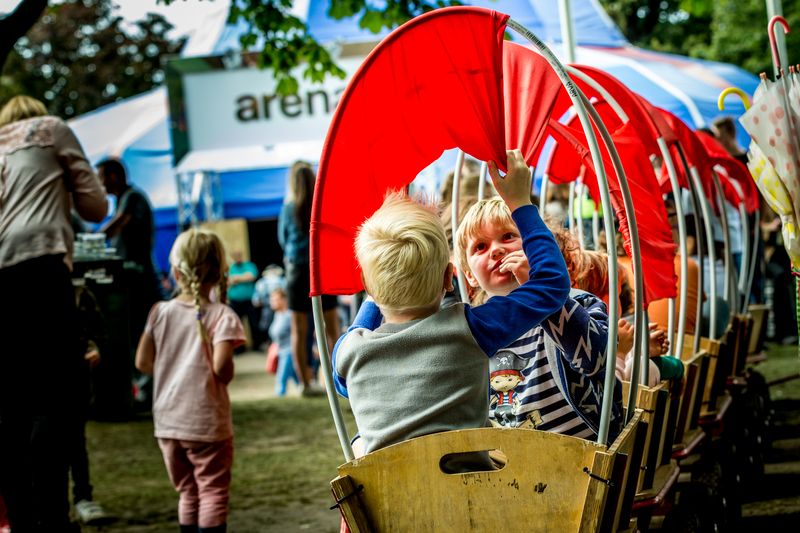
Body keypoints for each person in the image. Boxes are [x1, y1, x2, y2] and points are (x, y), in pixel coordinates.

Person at [333, 150, 570, 457]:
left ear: (368, 289)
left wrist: (376, 290)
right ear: (450, 278)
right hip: (473, 491)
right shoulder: (468, 329)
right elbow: (551, 285)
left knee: (358, 443)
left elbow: (345, 382)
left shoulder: (349, 351)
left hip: (393, 499)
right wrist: (521, 204)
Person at [0, 95, 108, 531]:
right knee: (57, 400)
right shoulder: (52, 129)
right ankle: (53, 517)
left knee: (11, 409)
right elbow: (96, 208)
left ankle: (23, 521)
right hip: (41, 268)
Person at [456, 198, 621, 439]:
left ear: (537, 248)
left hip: (585, 456)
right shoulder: (475, 328)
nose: (496, 250)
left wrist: (542, 290)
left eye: (508, 237)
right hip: (510, 464)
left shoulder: (579, 302)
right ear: (469, 275)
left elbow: (598, 360)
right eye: (480, 246)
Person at [135, 228, 245, 533]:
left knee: (187, 491)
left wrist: (175, 368)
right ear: (219, 270)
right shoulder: (222, 316)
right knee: (212, 491)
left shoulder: (159, 312)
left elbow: (142, 363)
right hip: (206, 424)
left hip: (169, 423)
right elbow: (223, 369)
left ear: (175, 271)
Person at [97, 158, 162, 408]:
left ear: (113, 176)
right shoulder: (127, 199)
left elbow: (117, 225)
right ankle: (145, 388)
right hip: (135, 280)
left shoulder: (132, 198)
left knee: (143, 334)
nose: (99, 183)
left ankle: (150, 389)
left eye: (101, 176)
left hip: (141, 281)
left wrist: (91, 239)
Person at [278, 162, 340, 396]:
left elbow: (283, 240)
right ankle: (336, 381)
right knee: (331, 327)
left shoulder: (288, 208)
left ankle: (305, 383)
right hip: (322, 267)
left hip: (296, 271)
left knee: (298, 330)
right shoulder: (322, 203)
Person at [69, 282, 110, 525]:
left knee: (74, 440)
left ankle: (83, 496)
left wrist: (95, 347)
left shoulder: (79, 293)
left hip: (74, 379)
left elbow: (99, 331)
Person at [268, 286, 299, 396]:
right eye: (271, 299)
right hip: (281, 351)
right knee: (296, 376)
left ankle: (280, 394)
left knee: (281, 378)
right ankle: (304, 388)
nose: (272, 302)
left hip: (289, 351)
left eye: (275, 299)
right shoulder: (277, 314)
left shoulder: (290, 315)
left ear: (284, 300)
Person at [227, 250, 261, 350]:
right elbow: (227, 281)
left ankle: (257, 346)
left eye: (239, 255)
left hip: (249, 301)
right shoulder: (230, 268)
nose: (238, 257)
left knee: (253, 324)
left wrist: (236, 278)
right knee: (237, 325)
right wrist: (243, 277)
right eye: (235, 256)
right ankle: (239, 348)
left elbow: (251, 276)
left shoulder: (249, 265)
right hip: (235, 302)